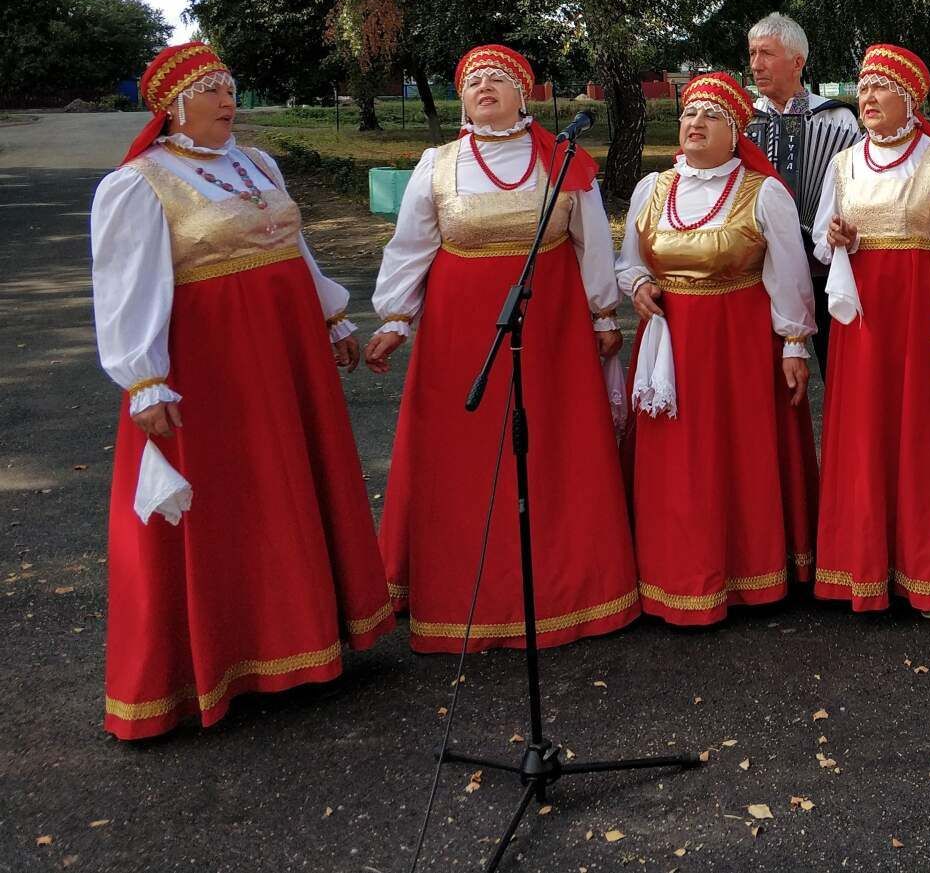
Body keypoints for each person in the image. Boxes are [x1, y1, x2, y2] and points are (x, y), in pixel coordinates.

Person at [91, 42, 393, 739]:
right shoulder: (140, 184)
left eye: (231, 85)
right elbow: (125, 286)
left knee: (289, 483)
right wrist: (144, 376)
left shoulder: (255, 164)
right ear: (173, 106)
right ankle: (231, 661)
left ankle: (307, 639)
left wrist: (331, 311)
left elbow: (294, 244)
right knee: (234, 498)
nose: (230, 99)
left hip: (284, 353)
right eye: (212, 89)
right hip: (213, 364)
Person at [365, 45, 639, 651]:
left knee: (551, 449)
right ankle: (465, 596)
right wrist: (394, 318)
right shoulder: (437, 164)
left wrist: (602, 315)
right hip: (463, 336)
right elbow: (411, 245)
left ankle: (572, 592)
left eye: (499, 79)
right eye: (472, 81)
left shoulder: (564, 159)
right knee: (463, 456)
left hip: (553, 326)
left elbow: (591, 240)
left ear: (526, 94)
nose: (484, 87)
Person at [616, 71, 819, 624]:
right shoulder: (653, 188)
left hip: (738, 348)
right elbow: (631, 259)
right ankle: (671, 574)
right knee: (676, 464)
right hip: (670, 346)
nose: (695, 124)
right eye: (688, 114)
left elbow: (790, 273)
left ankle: (746, 574)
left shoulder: (763, 193)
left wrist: (794, 343)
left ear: (735, 132)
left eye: (710, 116)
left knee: (732, 456)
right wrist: (636, 286)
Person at [811, 43, 930, 617]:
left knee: (924, 438)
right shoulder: (844, 164)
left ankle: (929, 573)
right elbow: (823, 238)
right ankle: (863, 570)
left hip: (921, 318)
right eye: (863, 87)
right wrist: (837, 237)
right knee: (865, 436)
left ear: (911, 98)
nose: (868, 98)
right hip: (864, 324)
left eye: (882, 87)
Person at [744, 12, 863, 368]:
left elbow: (855, 185)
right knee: (765, 369)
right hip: (760, 264)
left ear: (798, 62)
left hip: (823, 264)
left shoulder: (837, 118)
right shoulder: (745, 120)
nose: (755, 64)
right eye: (752, 54)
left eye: (766, 53)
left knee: (836, 363)